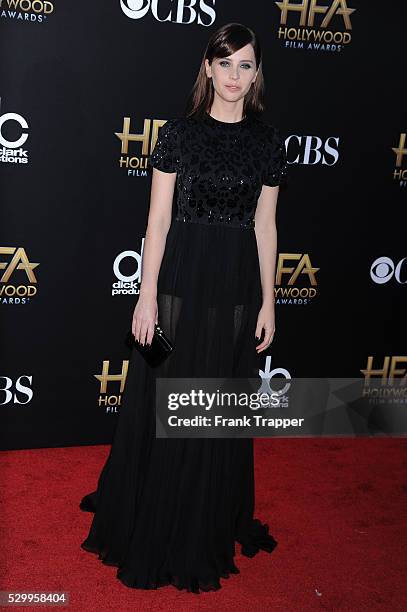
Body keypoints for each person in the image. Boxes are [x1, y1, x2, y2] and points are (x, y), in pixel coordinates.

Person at [79, 22, 288, 593]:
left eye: (245, 66)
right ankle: (155, 511)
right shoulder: (176, 135)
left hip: (237, 286)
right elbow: (158, 222)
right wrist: (144, 296)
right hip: (179, 280)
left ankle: (206, 517)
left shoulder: (270, 143)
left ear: (257, 74)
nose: (234, 77)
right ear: (208, 68)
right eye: (225, 64)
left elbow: (266, 227)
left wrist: (270, 300)